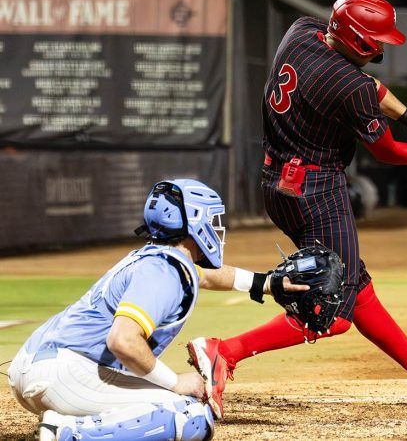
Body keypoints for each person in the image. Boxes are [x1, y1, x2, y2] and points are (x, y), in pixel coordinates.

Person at [187, 0, 407, 414]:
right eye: (376, 40)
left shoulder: (302, 32)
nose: (382, 48)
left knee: (353, 285)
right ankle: (226, 350)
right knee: (331, 310)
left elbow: (371, 87)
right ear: (358, 41)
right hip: (319, 193)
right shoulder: (346, 87)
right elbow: (386, 151)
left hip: (279, 184)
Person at [7, 179, 308, 440]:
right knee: (190, 414)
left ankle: (72, 422)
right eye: (211, 220)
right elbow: (122, 341)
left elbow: (209, 275)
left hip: (37, 365)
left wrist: (268, 283)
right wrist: (176, 382)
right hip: (66, 375)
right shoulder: (163, 272)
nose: (216, 229)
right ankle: (67, 433)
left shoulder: (161, 259)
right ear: (194, 223)